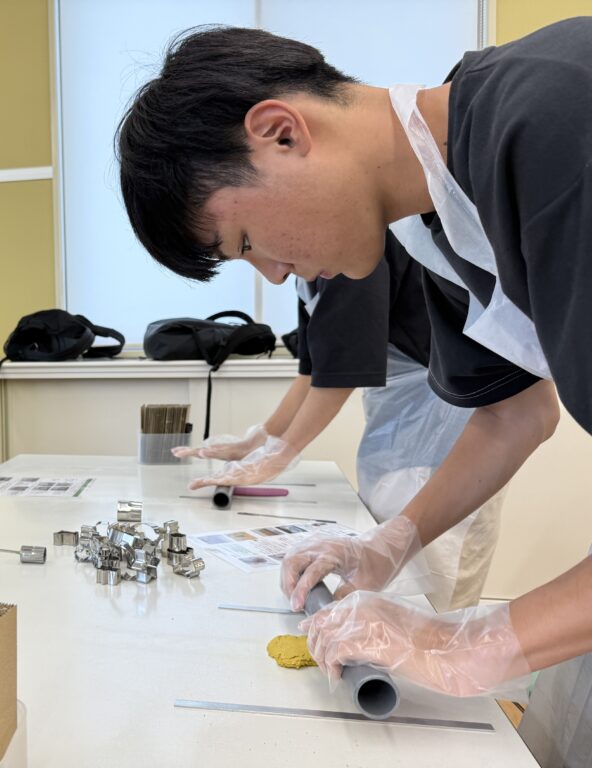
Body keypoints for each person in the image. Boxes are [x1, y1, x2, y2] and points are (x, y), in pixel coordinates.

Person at [117, 19, 591, 766]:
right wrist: (390, 540)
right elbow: (517, 413)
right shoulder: (435, 224)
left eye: (248, 242)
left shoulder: (550, 121)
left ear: (280, 132)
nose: (274, 274)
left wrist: (468, 644)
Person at [178, 233, 505, 612]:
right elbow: (314, 372)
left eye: (247, 244)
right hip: (398, 423)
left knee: (433, 586)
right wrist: (260, 440)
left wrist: (280, 453)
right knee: (389, 569)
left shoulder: (340, 242)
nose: (271, 275)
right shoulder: (304, 272)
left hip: (452, 422)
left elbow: (339, 375)